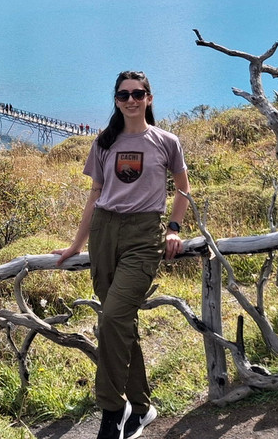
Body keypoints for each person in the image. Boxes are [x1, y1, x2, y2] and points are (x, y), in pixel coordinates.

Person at [53, 70, 191, 439]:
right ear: (116, 100)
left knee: (112, 318)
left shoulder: (166, 141)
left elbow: (183, 189)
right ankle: (142, 408)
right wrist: (77, 244)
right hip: (104, 232)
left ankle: (113, 409)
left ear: (149, 98)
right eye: (123, 94)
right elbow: (95, 194)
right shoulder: (104, 141)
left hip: (143, 235)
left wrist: (174, 229)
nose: (131, 100)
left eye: (138, 93)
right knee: (122, 324)